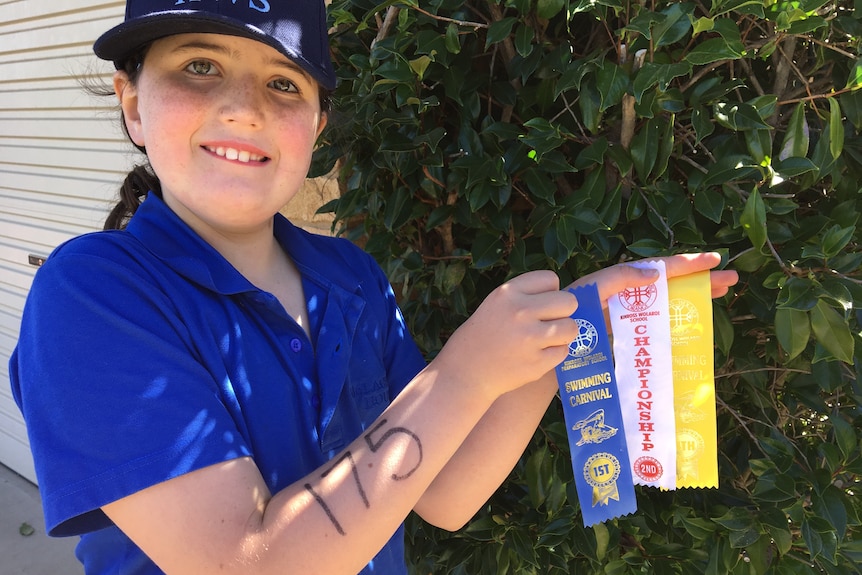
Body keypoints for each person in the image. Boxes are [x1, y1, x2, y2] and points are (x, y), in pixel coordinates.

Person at [9, 1, 738, 574]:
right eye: (199, 65)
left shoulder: (350, 276)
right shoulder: (92, 295)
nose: (245, 107)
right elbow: (243, 563)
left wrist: (570, 327)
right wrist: (461, 372)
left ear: (318, 125)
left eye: (284, 82)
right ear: (132, 103)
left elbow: (444, 495)